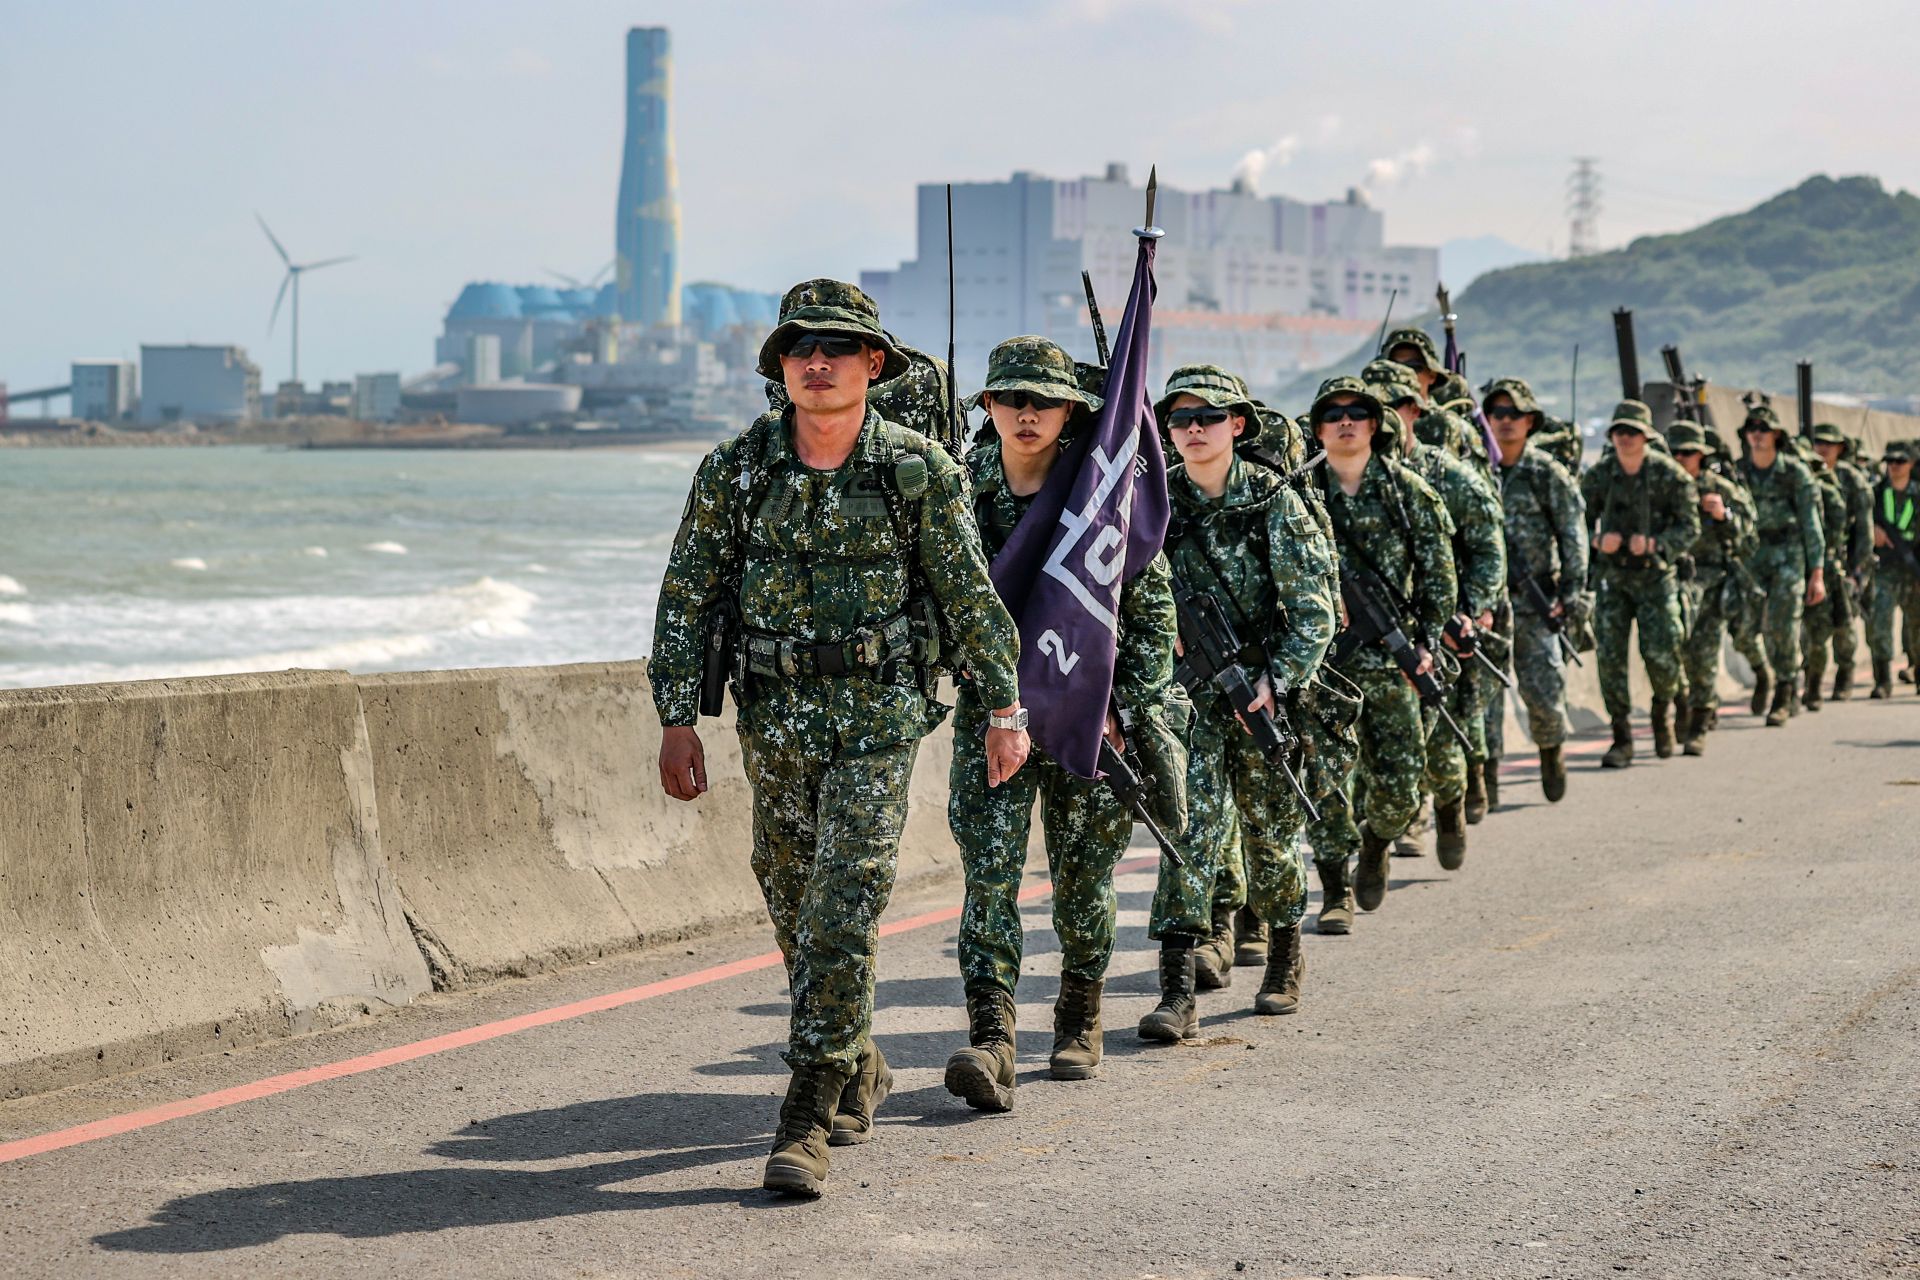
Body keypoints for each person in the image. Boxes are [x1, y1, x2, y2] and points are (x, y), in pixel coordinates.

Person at [651, 278, 1030, 1198]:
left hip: (878, 717)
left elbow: (970, 599)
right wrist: (676, 716)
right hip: (774, 719)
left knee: (845, 896)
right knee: (789, 894)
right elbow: (687, 597)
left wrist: (1003, 707)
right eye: (799, 349)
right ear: (779, 369)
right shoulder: (736, 470)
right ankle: (856, 1053)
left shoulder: (919, 472)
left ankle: (806, 1109)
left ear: (872, 365)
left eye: (836, 348)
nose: (816, 363)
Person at [942, 337, 1177, 1111]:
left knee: (1082, 881)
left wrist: (1124, 709)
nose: (1027, 413)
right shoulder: (956, 489)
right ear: (988, 407)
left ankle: (1080, 1012)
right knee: (991, 877)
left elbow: (1148, 611)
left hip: (1086, 721)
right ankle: (993, 1036)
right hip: (995, 718)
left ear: (1074, 410)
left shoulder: (1098, 493)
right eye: (1011, 399)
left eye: (1043, 399)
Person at [1137, 365, 1335, 1038]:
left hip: (1257, 697)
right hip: (1186, 702)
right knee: (1188, 834)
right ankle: (1177, 988)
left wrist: (1274, 680)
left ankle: (1284, 958)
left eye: (1209, 418)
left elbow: (1316, 612)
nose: (1194, 430)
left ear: (1237, 426)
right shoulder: (1154, 503)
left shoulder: (1271, 500)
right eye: (1182, 419)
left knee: (1271, 837)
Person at [1302, 376, 1457, 925]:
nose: (1346, 421)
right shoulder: (1299, 495)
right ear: (1317, 428)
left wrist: (1429, 640)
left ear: (1375, 424)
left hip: (1391, 660)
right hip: (1323, 663)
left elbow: (1438, 574)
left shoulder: (1407, 491)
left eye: (1358, 412)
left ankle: (1377, 841)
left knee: (1401, 785)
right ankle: (1334, 888)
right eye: (1334, 413)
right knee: (1324, 778)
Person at [1364, 360, 1506, 853]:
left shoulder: (1445, 472)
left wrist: (1471, 606)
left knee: (1444, 743)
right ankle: (1401, 823)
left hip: (1443, 623)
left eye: (1391, 407)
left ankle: (1449, 805)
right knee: (1383, 748)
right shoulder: (1353, 475)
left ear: (1413, 411)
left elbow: (1489, 543)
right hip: (1375, 631)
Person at [1482, 377, 1589, 802]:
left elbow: (1573, 535)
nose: (1505, 422)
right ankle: (1485, 777)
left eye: (1515, 415)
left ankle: (1551, 751)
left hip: (1536, 602)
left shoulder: (1547, 473)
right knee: (1483, 697)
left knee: (1544, 691)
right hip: (1488, 605)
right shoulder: (1476, 470)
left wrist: (1573, 593)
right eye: (1497, 414)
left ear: (1530, 421)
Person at [1579, 401, 1700, 766]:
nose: (1624, 439)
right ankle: (1622, 738)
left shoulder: (1669, 476)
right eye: (1618, 432)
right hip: (1613, 579)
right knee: (1610, 658)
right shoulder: (1599, 476)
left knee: (1662, 655)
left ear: (1646, 437)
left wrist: (1657, 545)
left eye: (1632, 432)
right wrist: (1598, 541)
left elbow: (1689, 526)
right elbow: (1575, 524)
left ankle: (1664, 710)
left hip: (1655, 577)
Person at [1733, 403, 1826, 726]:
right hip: (1751, 558)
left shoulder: (1794, 473)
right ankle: (1763, 674)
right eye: (1752, 429)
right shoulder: (1738, 472)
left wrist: (1817, 574)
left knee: (1782, 627)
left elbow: (1812, 525)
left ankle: (1784, 692)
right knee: (1743, 630)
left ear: (1775, 435)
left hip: (1788, 555)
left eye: (1763, 430)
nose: (1757, 435)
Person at [1668, 420, 1756, 754]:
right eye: (1674, 452)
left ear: (1701, 455)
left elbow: (1750, 537)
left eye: (1688, 452)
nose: (1680, 458)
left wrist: (1725, 517)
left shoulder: (1720, 488)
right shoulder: (1661, 486)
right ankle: (1681, 706)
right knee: (1670, 652)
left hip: (1712, 581)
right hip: (1670, 580)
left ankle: (1699, 722)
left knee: (1703, 653)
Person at [1810, 423, 1874, 701]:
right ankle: (1813, 680)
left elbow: (1864, 526)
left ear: (1840, 448)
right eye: (1818, 442)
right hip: (1817, 560)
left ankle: (1845, 673)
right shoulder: (1808, 474)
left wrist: (1858, 568)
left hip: (1845, 561)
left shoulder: (1851, 479)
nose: (1823, 448)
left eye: (1829, 444)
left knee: (1845, 623)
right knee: (1815, 625)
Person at [1800, 434, 1856, 712]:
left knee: (1835, 629)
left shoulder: (1834, 490)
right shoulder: (1792, 490)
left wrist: (1857, 569)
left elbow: (1843, 532)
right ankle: (1807, 683)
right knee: (1805, 635)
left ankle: (1833, 678)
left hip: (1831, 570)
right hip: (1797, 568)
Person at [1867, 440, 1920, 697]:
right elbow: (1858, 521)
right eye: (1890, 462)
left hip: (1914, 568)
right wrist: (1871, 531)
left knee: (1917, 625)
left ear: (1911, 463)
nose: (1894, 467)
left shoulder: (1918, 494)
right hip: (1885, 567)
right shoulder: (1875, 494)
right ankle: (1882, 679)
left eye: (1900, 462)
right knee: (1880, 622)